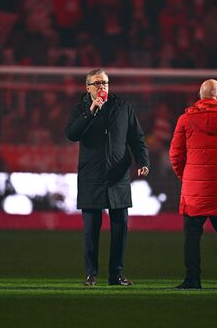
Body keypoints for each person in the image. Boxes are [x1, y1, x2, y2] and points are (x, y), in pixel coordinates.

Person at [65, 68, 149, 286]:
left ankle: (116, 274)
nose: (102, 87)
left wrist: (143, 161)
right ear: (88, 88)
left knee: (120, 228)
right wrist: (91, 111)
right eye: (97, 83)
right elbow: (72, 134)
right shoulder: (81, 108)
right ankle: (90, 275)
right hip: (91, 177)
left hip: (118, 177)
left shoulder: (123, 107)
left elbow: (136, 138)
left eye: (105, 83)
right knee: (90, 230)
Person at [169, 79, 217, 290]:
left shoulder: (185, 119)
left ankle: (193, 279)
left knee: (192, 235)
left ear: (200, 96)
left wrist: (185, 177)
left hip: (194, 189)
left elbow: (175, 154)